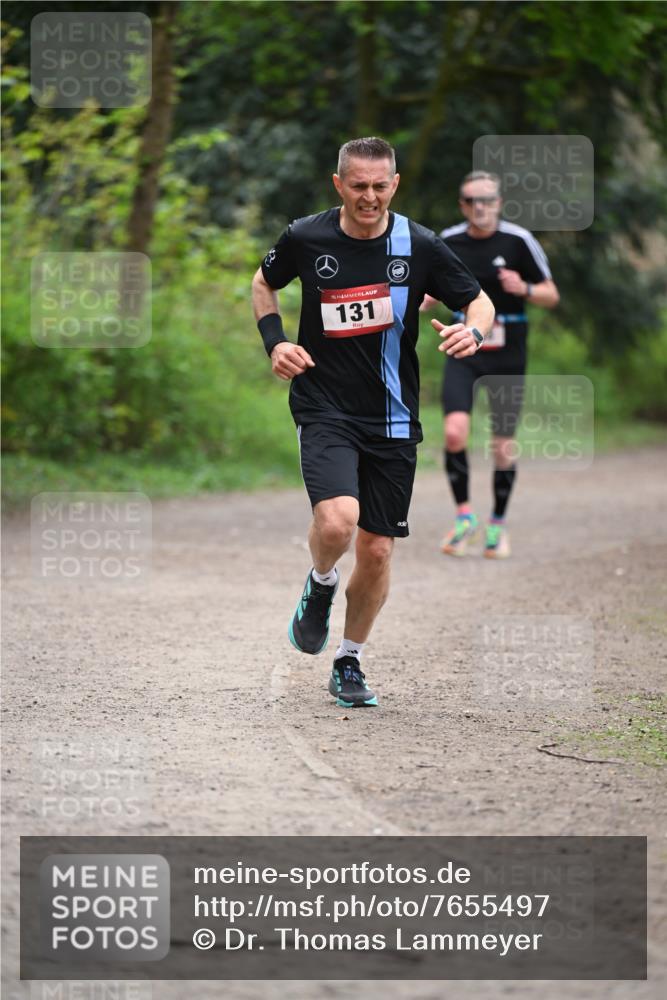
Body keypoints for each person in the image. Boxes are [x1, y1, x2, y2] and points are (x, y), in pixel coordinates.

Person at [251, 138, 493, 708]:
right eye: (358, 185)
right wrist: (275, 342)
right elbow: (265, 283)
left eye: (379, 185)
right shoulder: (306, 237)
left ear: (395, 184)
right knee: (338, 523)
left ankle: (349, 659)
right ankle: (321, 581)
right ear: (338, 184)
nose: (369, 196)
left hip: (393, 411)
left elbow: (478, 302)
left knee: (378, 549)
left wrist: (473, 331)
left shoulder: (420, 244)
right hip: (324, 403)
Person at [423, 170, 559, 559]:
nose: (479, 207)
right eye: (471, 201)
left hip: (507, 353)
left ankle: (497, 524)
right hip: (464, 348)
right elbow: (428, 289)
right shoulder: (447, 242)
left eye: (486, 200)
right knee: (453, 434)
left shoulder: (519, 241)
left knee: (502, 445)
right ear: (462, 205)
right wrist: (423, 300)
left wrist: (526, 288)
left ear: (498, 203)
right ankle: (464, 516)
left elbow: (551, 294)